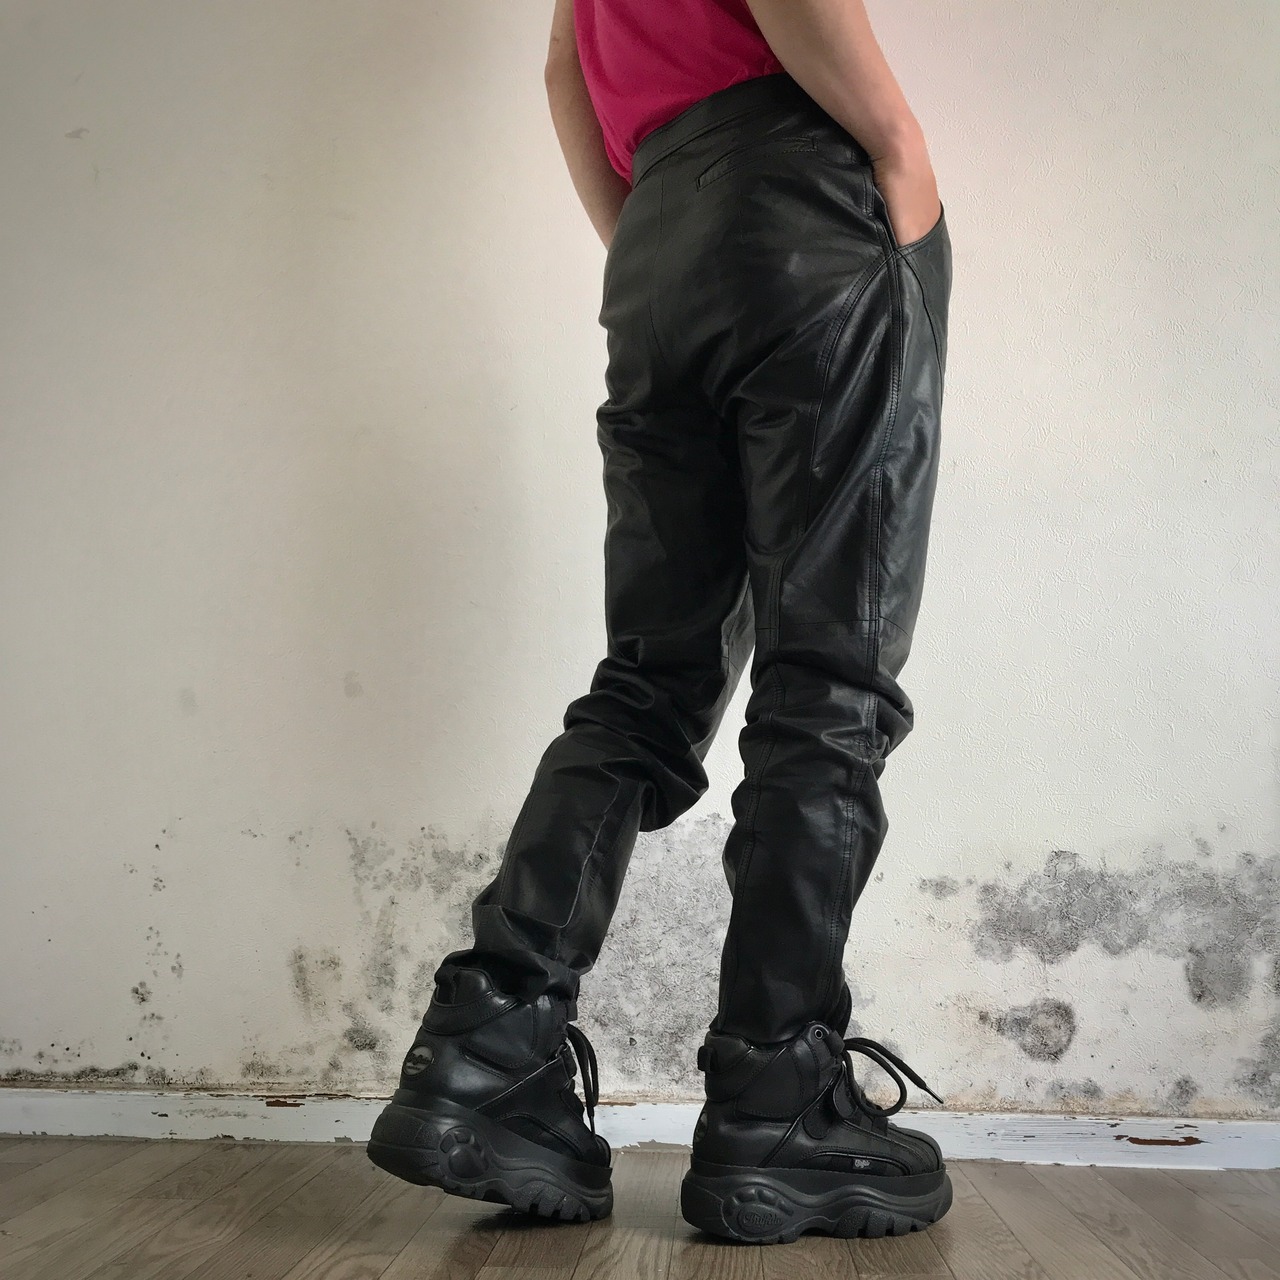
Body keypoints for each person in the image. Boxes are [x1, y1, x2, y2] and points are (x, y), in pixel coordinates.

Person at [366, 0, 953, 1244]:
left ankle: (487, 1043)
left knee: (648, 679)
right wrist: (898, 149)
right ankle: (775, 1096)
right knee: (828, 681)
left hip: (658, 245)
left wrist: (649, 233)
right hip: (806, 205)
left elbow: (560, 64)